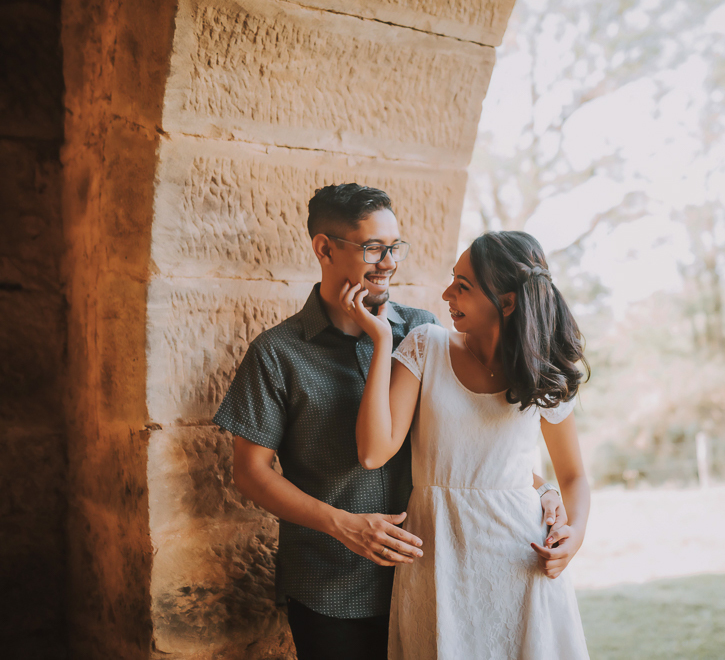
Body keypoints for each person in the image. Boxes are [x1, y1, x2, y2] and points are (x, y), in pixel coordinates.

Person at [213, 185, 566, 660]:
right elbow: (249, 472)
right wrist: (343, 526)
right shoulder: (276, 353)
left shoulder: (425, 332)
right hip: (331, 587)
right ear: (324, 249)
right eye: (373, 248)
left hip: (435, 577)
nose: (389, 262)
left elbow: (467, 440)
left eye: (395, 247)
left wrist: (542, 490)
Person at [343, 230, 592, 659]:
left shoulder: (543, 373)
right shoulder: (426, 345)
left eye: (463, 286)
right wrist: (381, 341)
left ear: (507, 303)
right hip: (437, 555)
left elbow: (572, 476)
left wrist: (576, 536)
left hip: (522, 562)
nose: (447, 294)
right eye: (452, 280)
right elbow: (372, 452)